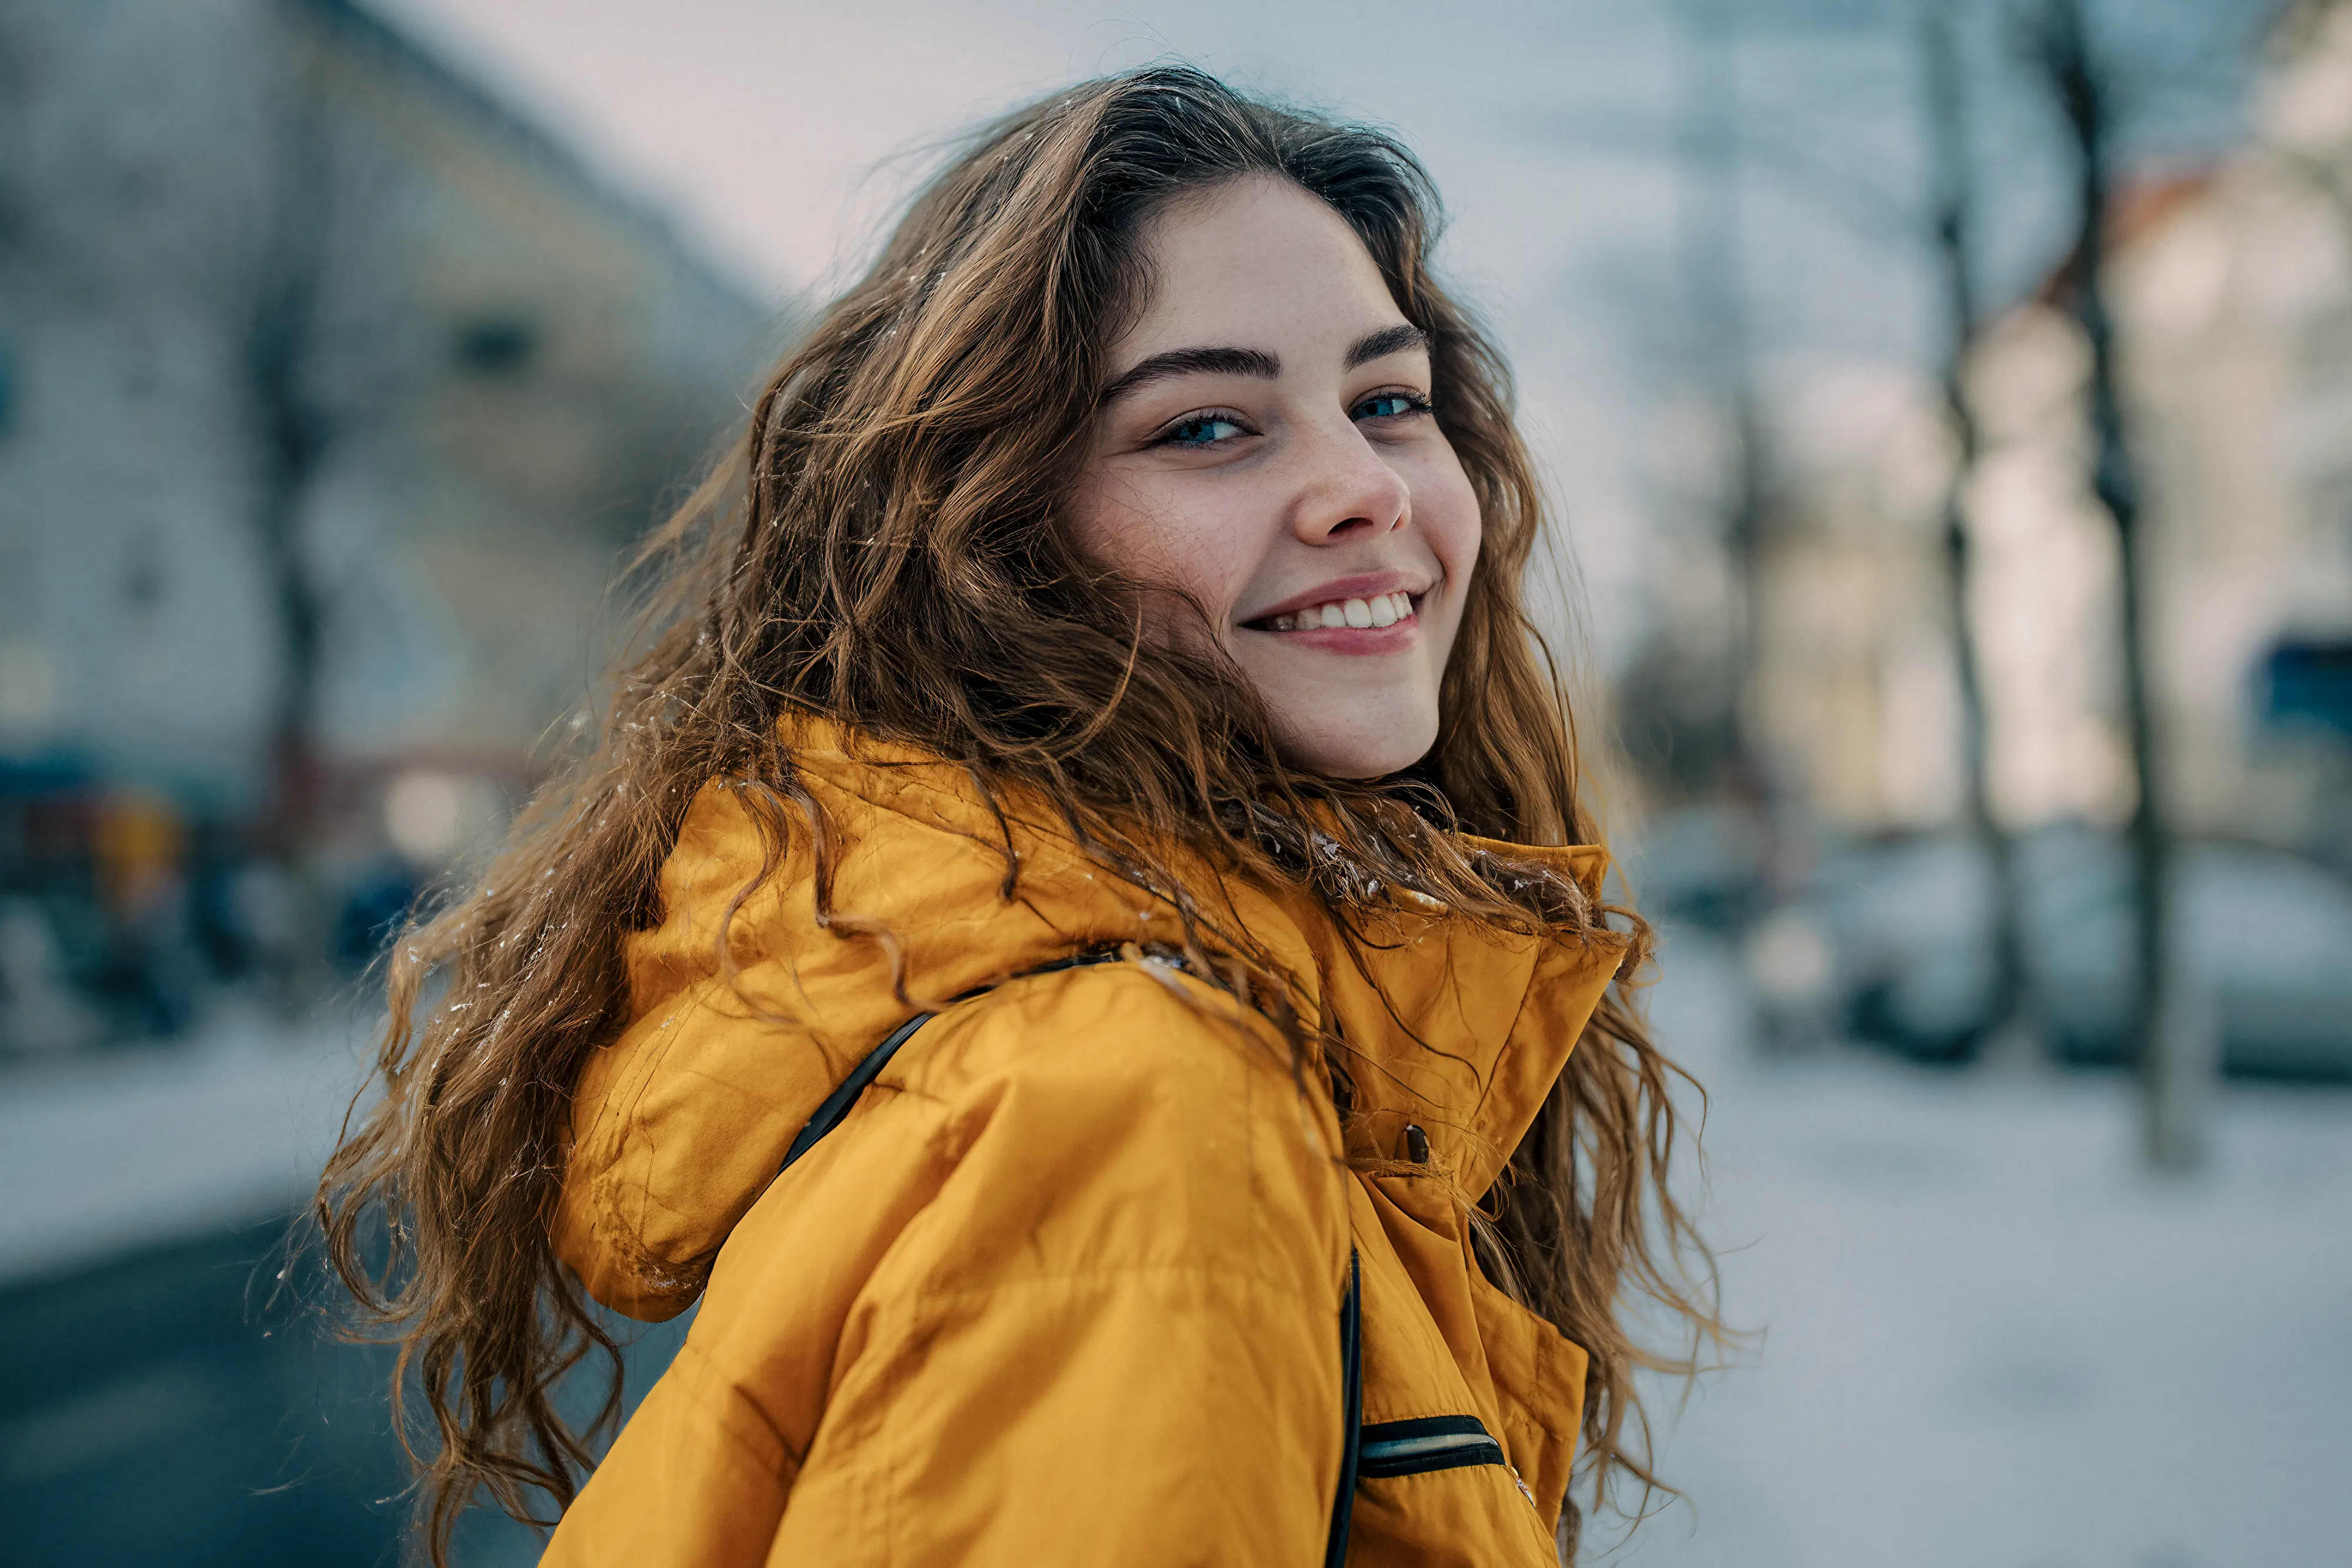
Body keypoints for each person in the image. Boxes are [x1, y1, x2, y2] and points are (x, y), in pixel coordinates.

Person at [319, 66, 1717, 1568]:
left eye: (1386, 401)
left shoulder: (1112, 1021)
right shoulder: (1123, 1101)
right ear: (992, 537)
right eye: (1205, 428)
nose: (1360, 485)